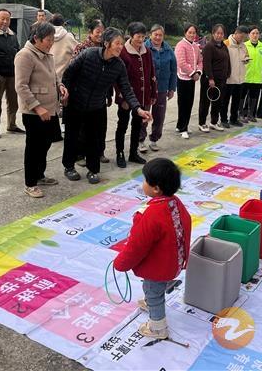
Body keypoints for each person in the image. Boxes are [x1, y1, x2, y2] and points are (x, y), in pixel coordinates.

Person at [113, 158, 191, 339]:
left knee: (154, 293)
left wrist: (120, 263)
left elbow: (136, 246)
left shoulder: (150, 215)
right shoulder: (175, 203)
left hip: (157, 269)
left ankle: (158, 328)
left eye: (145, 180)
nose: (143, 183)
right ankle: (150, 301)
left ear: (156, 189)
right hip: (172, 262)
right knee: (154, 288)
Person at [62, 27, 152, 184]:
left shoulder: (118, 65)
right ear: (106, 43)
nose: (120, 47)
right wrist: (65, 93)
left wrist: (138, 109)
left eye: (122, 44)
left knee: (94, 139)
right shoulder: (88, 54)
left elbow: (127, 89)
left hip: (96, 106)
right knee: (72, 137)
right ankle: (69, 166)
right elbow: (68, 73)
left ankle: (93, 170)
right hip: (75, 103)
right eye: (117, 43)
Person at [15, 22, 68, 198]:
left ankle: (39, 174)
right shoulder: (25, 55)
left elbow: (54, 76)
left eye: (53, 39)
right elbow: (21, 86)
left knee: (45, 143)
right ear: (36, 39)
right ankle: (30, 183)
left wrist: (60, 86)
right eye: (48, 40)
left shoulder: (47, 54)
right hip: (34, 112)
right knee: (34, 147)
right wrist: (37, 107)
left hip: (50, 109)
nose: (51, 43)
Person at [115, 22, 157, 168]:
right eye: (138, 36)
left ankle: (133, 153)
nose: (141, 39)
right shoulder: (123, 52)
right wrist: (122, 97)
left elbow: (151, 73)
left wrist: (152, 93)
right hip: (126, 98)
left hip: (142, 96)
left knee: (137, 125)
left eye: (143, 37)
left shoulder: (147, 51)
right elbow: (117, 78)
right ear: (131, 36)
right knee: (122, 125)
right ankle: (120, 154)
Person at [72, 19, 108, 165]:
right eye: (97, 32)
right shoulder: (82, 47)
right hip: (84, 94)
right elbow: (73, 69)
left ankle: (99, 152)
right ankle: (80, 155)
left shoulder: (106, 47)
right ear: (90, 32)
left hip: (101, 94)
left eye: (102, 32)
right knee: (83, 126)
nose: (100, 35)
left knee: (101, 125)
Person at [0, 8, 24, 138]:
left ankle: (12, 125)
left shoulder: (12, 35)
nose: (5, 21)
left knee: (13, 102)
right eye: (2, 18)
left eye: (7, 19)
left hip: (12, 74)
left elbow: (17, 50)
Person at [139, 24, 176, 152]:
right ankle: (140, 140)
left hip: (162, 88)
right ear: (150, 35)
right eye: (155, 34)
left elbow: (173, 69)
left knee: (159, 116)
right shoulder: (144, 48)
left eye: (160, 35)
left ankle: (154, 139)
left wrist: (172, 88)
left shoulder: (168, 49)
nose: (158, 37)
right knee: (144, 114)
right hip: (146, 89)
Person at [199, 24, 230, 132]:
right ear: (213, 34)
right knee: (205, 102)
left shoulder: (224, 46)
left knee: (218, 102)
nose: (219, 35)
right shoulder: (209, 46)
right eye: (217, 33)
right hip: (210, 80)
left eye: (221, 33)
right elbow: (206, 64)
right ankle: (202, 123)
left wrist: (228, 73)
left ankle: (214, 122)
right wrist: (210, 78)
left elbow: (227, 60)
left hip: (221, 79)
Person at [174, 23, 202, 139]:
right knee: (183, 104)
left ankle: (182, 125)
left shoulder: (196, 46)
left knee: (189, 103)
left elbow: (200, 61)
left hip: (192, 79)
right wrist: (192, 73)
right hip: (183, 78)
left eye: (194, 33)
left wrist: (198, 72)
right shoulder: (180, 45)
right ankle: (183, 128)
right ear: (185, 33)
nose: (192, 35)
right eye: (189, 32)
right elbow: (181, 62)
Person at [221, 25, 250, 127]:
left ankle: (234, 119)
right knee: (225, 100)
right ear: (236, 33)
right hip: (229, 78)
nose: (242, 39)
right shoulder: (226, 43)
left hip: (240, 78)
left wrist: (246, 59)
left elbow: (246, 55)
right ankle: (224, 119)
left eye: (244, 37)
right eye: (241, 37)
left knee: (236, 101)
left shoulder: (243, 46)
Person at [243, 25, 262, 121]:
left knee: (254, 96)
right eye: (253, 33)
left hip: (257, 77)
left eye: (257, 33)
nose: (255, 35)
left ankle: (251, 114)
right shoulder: (244, 45)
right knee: (242, 96)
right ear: (249, 34)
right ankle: (241, 114)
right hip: (245, 76)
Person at [50, 13, 79, 83]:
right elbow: (79, 50)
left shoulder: (46, 36)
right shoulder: (68, 37)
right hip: (63, 78)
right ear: (63, 23)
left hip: (48, 76)